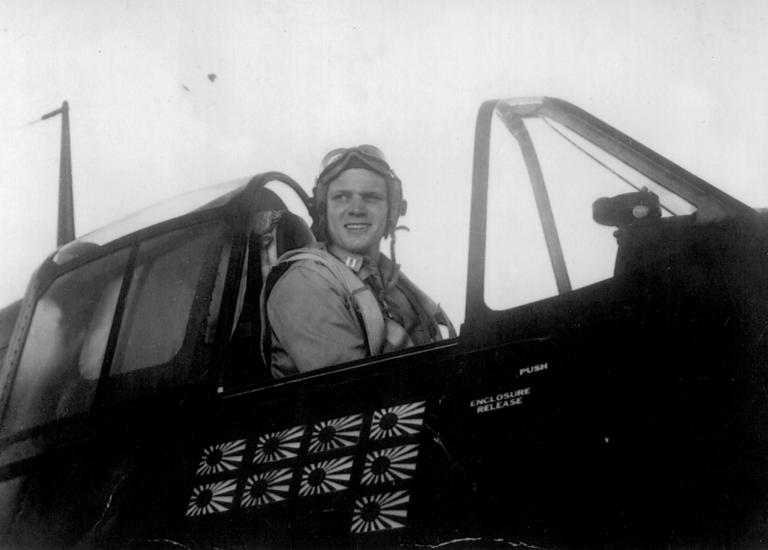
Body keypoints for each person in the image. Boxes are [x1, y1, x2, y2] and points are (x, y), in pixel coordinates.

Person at [263, 145, 453, 378]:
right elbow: (354, 395)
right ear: (324, 209)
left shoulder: (387, 278)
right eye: (341, 197)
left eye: (371, 197)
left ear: (392, 211)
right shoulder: (305, 284)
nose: (356, 209)